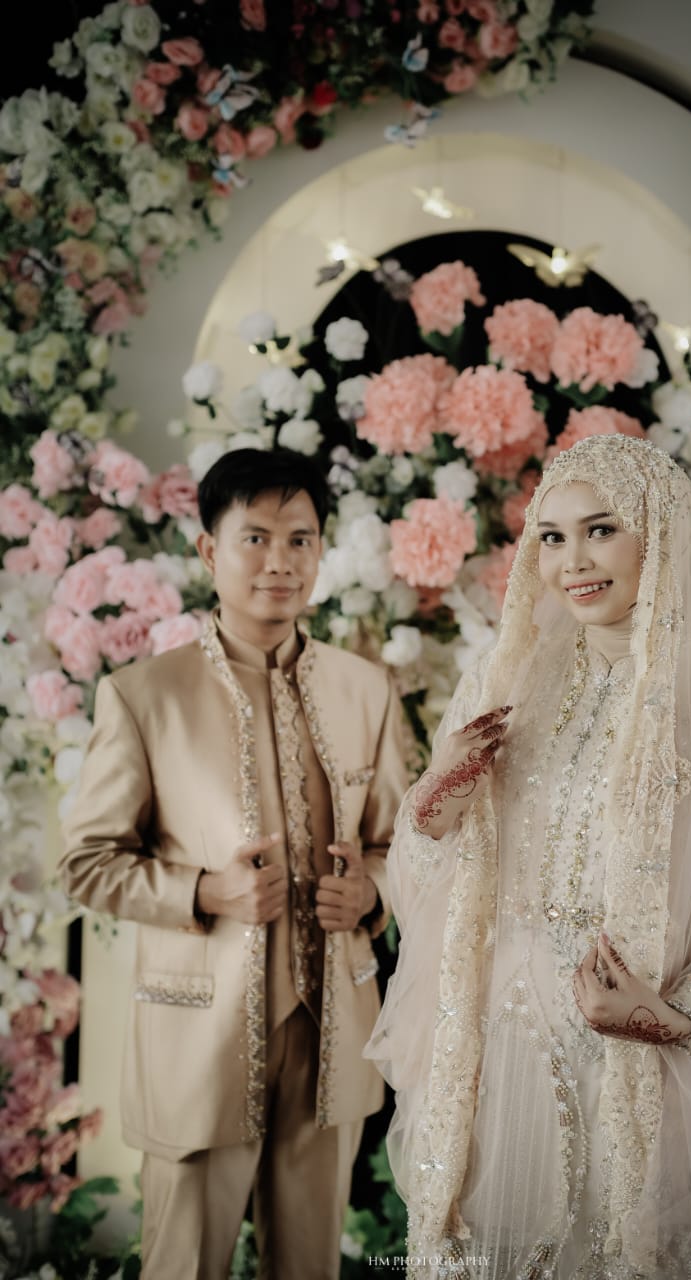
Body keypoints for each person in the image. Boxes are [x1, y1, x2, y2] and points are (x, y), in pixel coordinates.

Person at [366, 434, 691, 1279]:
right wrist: (434, 806)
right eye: (551, 536)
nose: (571, 560)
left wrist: (673, 1017)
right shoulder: (501, 684)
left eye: (600, 530)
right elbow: (425, 882)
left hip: (634, 1059)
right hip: (492, 1051)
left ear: (659, 536)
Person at [60, 447, 410, 1280]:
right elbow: (87, 862)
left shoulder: (365, 690)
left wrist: (371, 893)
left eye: (300, 539)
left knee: (311, 1266)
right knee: (183, 1264)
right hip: (198, 1033)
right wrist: (205, 891)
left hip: (332, 1032)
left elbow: (404, 846)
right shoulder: (145, 695)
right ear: (208, 551)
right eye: (255, 538)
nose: (279, 561)